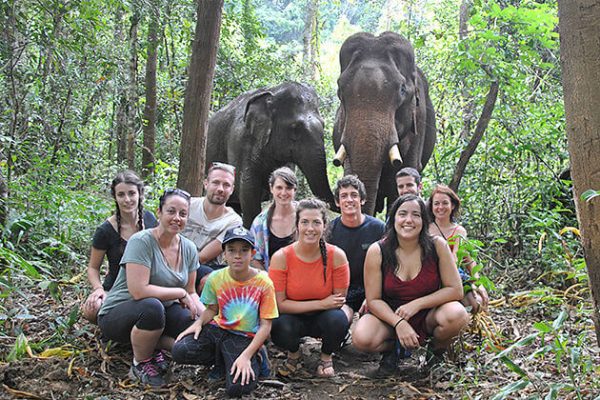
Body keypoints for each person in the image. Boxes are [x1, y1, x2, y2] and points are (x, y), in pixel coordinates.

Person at [352, 194, 469, 376]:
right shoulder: (378, 250)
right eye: (403, 214)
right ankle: (392, 351)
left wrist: (417, 304)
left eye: (416, 215)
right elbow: (373, 300)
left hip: (428, 314)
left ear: (424, 220)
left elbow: (455, 290)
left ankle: (435, 353)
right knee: (362, 337)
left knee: (458, 315)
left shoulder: (437, 245)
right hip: (390, 316)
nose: (409, 220)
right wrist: (398, 323)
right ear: (394, 219)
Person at [97, 188, 201, 387]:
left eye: (183, 214)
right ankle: (141, 362)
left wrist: (205, 318)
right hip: (120, 313)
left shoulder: (188, 248)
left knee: (190, 322)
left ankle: (153, 342)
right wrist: (179, 293)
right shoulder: (141, 241)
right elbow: (138, 291)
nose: (177, 218)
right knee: (152, 308)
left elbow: (191, 291)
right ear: (159, 212)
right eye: (171, 211)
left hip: (163, 310)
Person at [172, 227, 278, 397]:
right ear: (224, 255)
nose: (238, 255)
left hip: (244, 337)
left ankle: (257, 356)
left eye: (244, 250)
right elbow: (212, 309)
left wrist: (246, 356)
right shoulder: (215, 278)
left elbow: (266, 326)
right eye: (232, 250)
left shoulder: (264, 282)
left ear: (252, 254)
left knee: (238, 388)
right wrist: (198, 323)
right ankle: (221, 361)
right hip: (218, 330)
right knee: (180, 350)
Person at [268, 198, 350, 378]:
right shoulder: (281, 257)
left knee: (338, 320)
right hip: (292, 317)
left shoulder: (336, 255)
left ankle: (326, 357)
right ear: (297, 225)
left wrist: (324, 305)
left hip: (324, 317)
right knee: (279, 324)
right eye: (305, 222)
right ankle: (294, 355)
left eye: (316, 222)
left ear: (324, 226)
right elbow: (279, 305)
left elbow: (337, 302)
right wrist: (321, 303)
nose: (310, 228)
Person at [81, 171, 157, 324]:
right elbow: (93, 268)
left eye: (131, 193)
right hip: (116, 288)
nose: (127, 199)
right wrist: (98, 289)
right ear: (115, 197)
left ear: (140, 194)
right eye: (121, 194)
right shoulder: (105, 230)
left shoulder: (150, 220)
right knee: (92, 309)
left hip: (147, 285)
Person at [327, 175, 385, 322]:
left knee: (368, 332)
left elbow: (389, 265)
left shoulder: (378, 228)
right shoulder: (330, 230)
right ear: (337, 202)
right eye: (344, 196)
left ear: (362, 200)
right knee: (336, 322)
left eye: (354, 195)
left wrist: (373, 297)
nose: (349, 200)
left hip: (373, 291)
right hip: (343, 293)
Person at [181, 162, 242, 292]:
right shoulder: (187, 205)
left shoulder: (233, 221)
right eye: (216, 182)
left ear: (232, 189)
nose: (220, 189)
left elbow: (203, 257)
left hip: (204, 267)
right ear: (206, 183)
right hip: (172, 258)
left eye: (226, 185)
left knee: (212, 278)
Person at [427, 184, 489, 314]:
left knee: (476, 305)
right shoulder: (425, 229)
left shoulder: (459, 231)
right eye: (436, 204)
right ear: (431, 206)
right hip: (429, 275)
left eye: (445, 203)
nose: (440, 207)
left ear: (452, 205)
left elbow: (460, 258)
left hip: (454, 275)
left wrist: (478, 284)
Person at [250, 167, 297, 271]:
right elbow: (253, 257)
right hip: (270, 280)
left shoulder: (306, 216)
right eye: (279, 188)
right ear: (271, 188)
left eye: (288, 188)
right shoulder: (260, 222)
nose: (284, 193)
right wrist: (267, 280)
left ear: (295, 190)